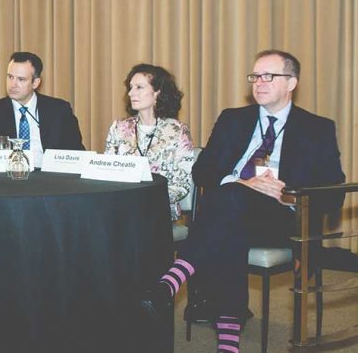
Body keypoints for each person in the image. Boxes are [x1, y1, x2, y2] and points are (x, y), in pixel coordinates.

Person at [140, 50, 345, 352]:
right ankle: (228, 344)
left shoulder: (317, 128)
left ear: (292, 83)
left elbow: (334, 192)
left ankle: (173, 278)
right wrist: (242, 182)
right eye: (254, 76)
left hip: (282, 217)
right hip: (231, 212)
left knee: (226, 207)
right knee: (231, 215)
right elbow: (202, 171)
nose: (259, 82)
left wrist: (287, 191)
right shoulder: (233, 119)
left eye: (268, 76)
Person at [105, 63, 194, 220]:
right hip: (121, 208)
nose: (131, 93)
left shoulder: (178, 131)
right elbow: (107, 173)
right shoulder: (118, 128)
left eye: (139, 87)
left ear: (157, 93)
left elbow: (182, 184)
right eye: (130, 87)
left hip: (158, 210)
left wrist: (145, 199)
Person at [0, 51, 85, 166]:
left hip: (50, 179)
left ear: (35, 83)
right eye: (10, 77)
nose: (13, 84)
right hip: (8, 179)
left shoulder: (59, 111)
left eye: (21, 79)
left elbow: (77, 153)